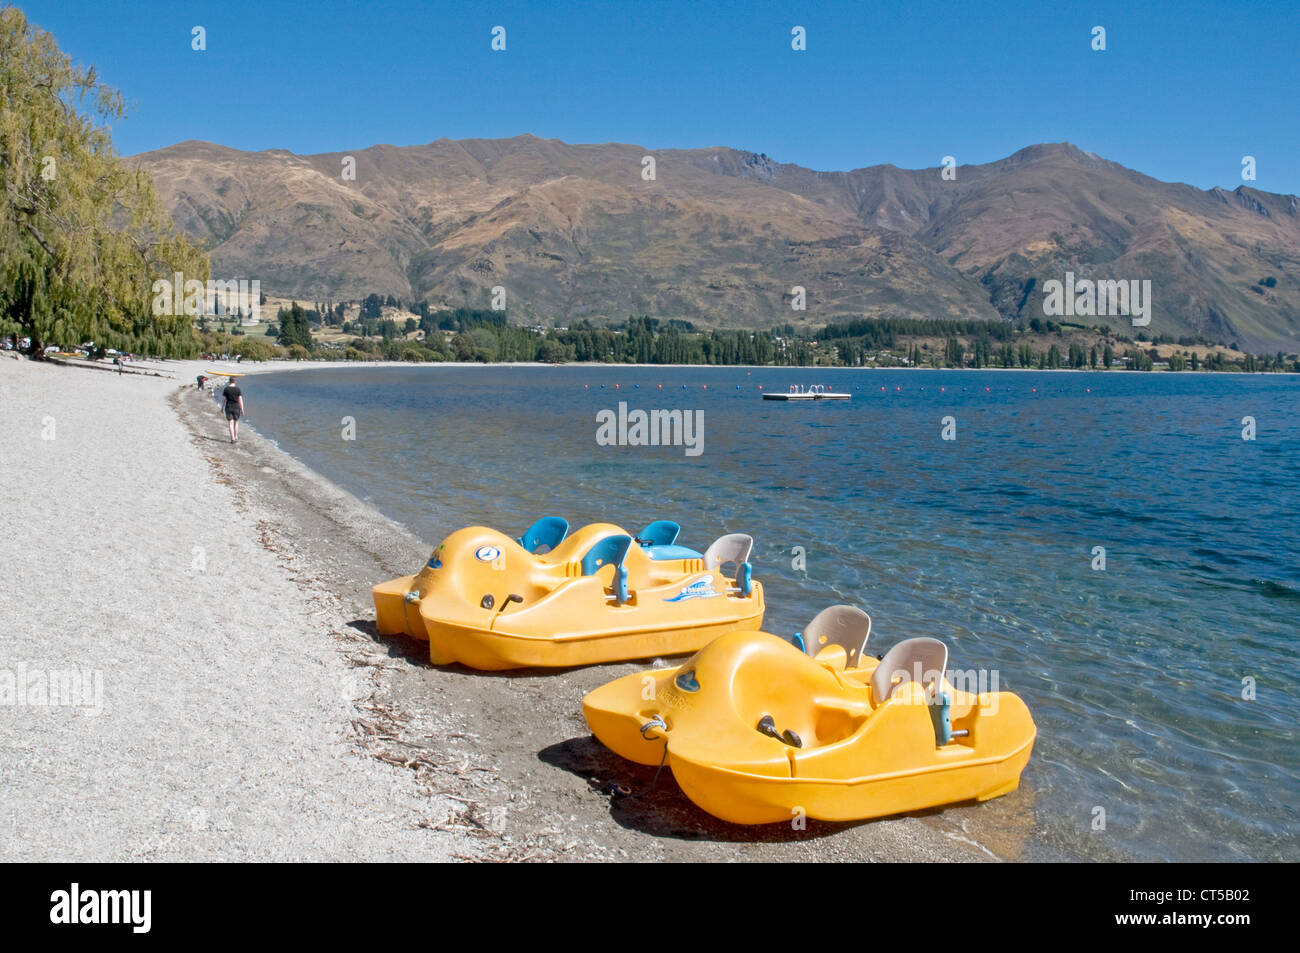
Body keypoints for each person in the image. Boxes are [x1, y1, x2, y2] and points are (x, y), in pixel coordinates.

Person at [221, 376, 245, 443]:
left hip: (228, 407)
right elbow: (240, 400)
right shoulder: (238, 389)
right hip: (236, 407)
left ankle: (232, 438)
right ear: (235, 381)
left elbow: (224, 399)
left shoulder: (226, 389)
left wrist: (222, 408)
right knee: (236, 423)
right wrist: (242, 410)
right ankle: (236, 436)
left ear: (229, 381)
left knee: (230, 423)